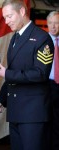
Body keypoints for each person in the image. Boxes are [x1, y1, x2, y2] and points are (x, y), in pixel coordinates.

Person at [0, 0, 54, 150]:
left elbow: (40, 74)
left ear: (21, 11)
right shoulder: (15, 37)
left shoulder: (42, 38)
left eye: (9, 16)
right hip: (16, 111)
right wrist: (1, 99)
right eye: (5, 17)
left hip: (33, 113)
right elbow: (13, 71)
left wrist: (6, 73)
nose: (6, 21)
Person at [47, 11, 59, 150]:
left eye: (56, 23)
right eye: (50, 23)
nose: (53, 26)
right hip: (48, 85)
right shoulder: (42, 41)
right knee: (48, 118)